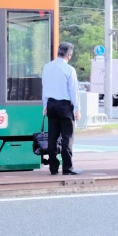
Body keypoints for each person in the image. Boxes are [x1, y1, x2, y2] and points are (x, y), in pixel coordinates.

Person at [41, 41, 82, 176]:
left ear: (58, 52)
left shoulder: (47, 67)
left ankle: (53, 168)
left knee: (52, 137)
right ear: (69, 55)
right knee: (67, 138)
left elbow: (44, 87)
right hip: (65, 106)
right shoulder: (69, 70)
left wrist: (45, 105)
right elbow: (73, 91)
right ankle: (67, 168)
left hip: (51, 104)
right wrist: (77, 109)